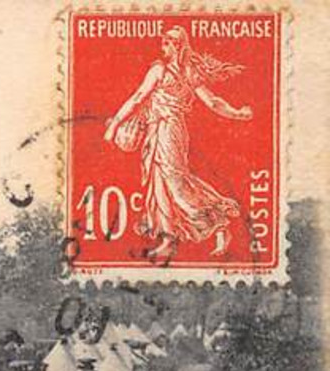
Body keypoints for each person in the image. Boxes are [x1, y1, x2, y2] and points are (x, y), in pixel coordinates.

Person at [103, 26, 253, 260]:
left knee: (175, 183)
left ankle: (218, 225)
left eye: (166, 43)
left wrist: (114, 126)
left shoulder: (164, 70)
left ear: (177, 46)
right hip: (159, 130)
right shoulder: (183, 71)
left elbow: (139, 97)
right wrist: (237, 113)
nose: (163, 46)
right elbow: (212, 102)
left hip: (169, 130)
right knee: (159, 183)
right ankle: (168, 239)